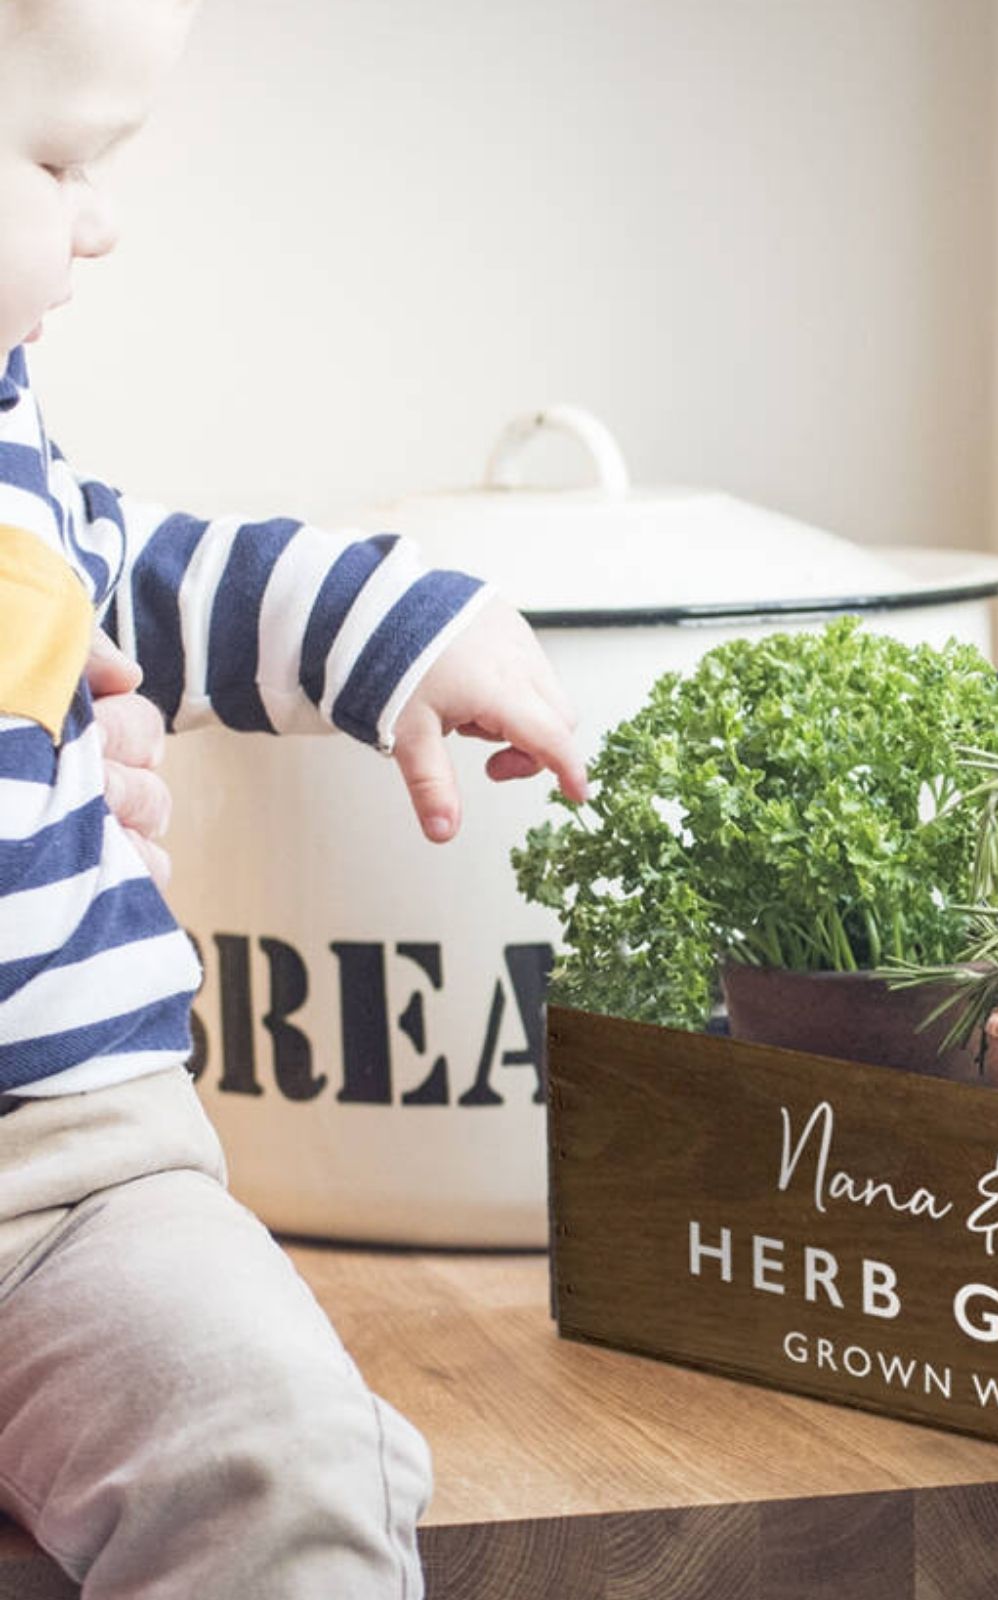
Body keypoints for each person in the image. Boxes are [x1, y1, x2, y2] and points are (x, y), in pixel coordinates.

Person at [0, 0, 590, 1593]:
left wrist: (402, 627)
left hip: (66, 1179)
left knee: (280, 1460)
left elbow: (154, 572)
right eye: (59, 158)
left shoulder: (8, 441)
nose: (102, 218)